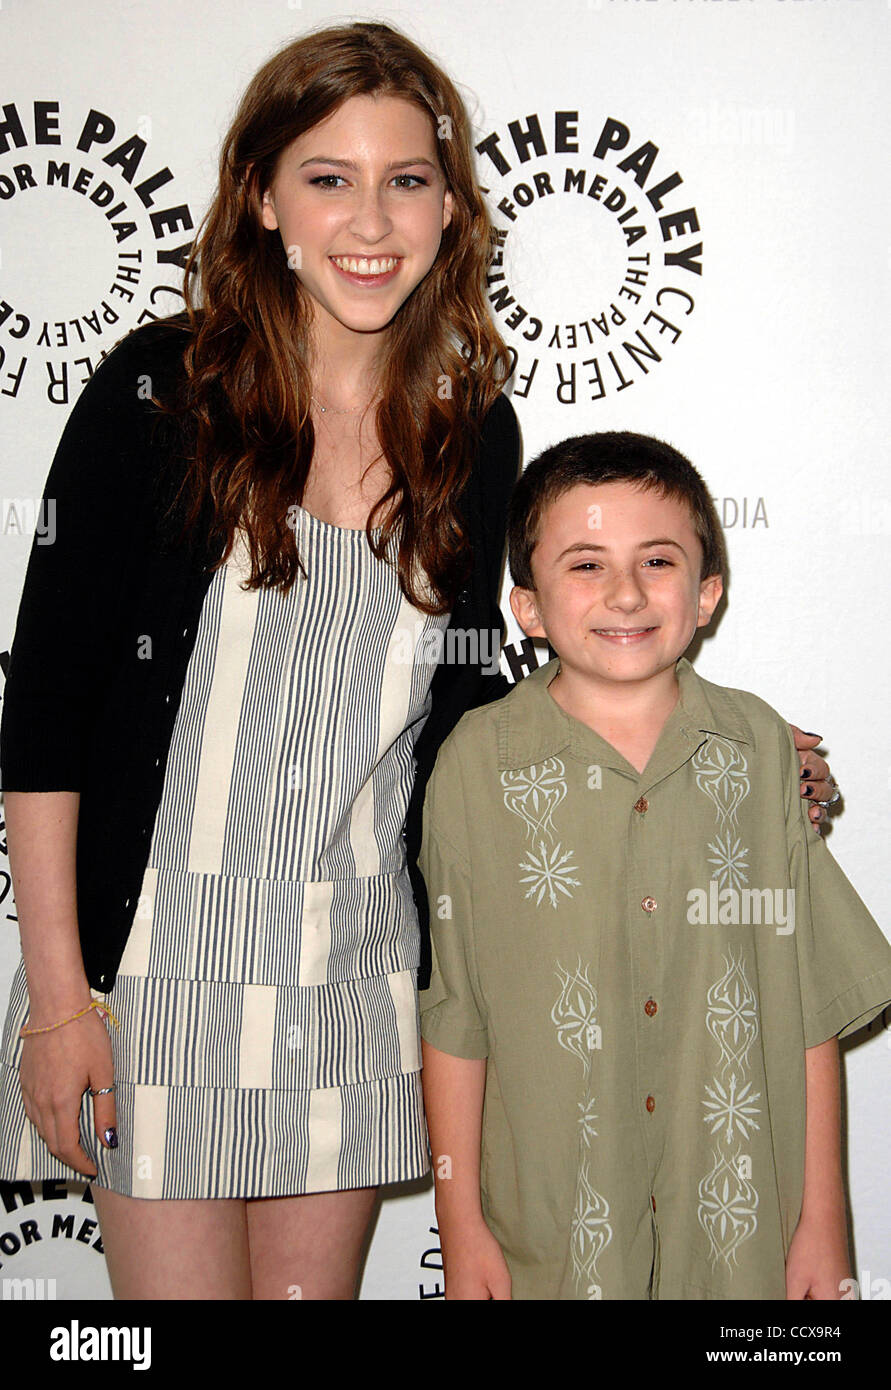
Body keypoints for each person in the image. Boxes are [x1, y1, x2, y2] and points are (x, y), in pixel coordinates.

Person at [0, 21, 521, 1300]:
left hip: (350, 967)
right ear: (264, 201)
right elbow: (50, 708)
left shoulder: (473, 435)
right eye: (328, 177)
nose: (372, 219)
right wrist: (64, 1005)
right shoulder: (158, 395)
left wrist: (684, 738)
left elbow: (468, 708)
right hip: (154, 970)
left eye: (405, 180)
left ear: (449, 210)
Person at [418, 430, 891, 1300]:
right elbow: (456, 1015)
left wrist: (823, 1221)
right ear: (526, 605)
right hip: (553, 1233)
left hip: (739, 1225)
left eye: (658, 561)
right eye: (586, 565)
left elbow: (805, 1000)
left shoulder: (754, 750)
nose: (626, 593)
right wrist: (462, 1230)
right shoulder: (474, 767)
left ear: (706, 593)